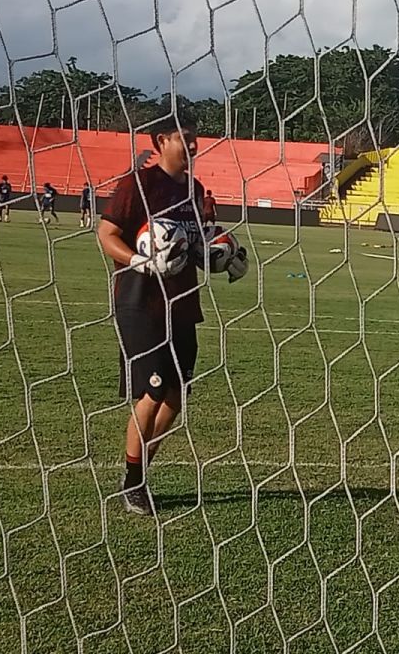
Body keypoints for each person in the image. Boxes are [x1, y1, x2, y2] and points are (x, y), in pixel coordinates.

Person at [98, 117, 249, 517]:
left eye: (197, 139)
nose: (194, 146)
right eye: (186, 139)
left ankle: (139, 469)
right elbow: (106, 233)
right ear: (161, 141)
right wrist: (139, 261)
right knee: (151, 391)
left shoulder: (194, 190)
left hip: (182, 303)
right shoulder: (138, 185)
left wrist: (225, 257)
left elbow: (194, 246)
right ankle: (134, 485)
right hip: (139, 303)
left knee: (175, 398)